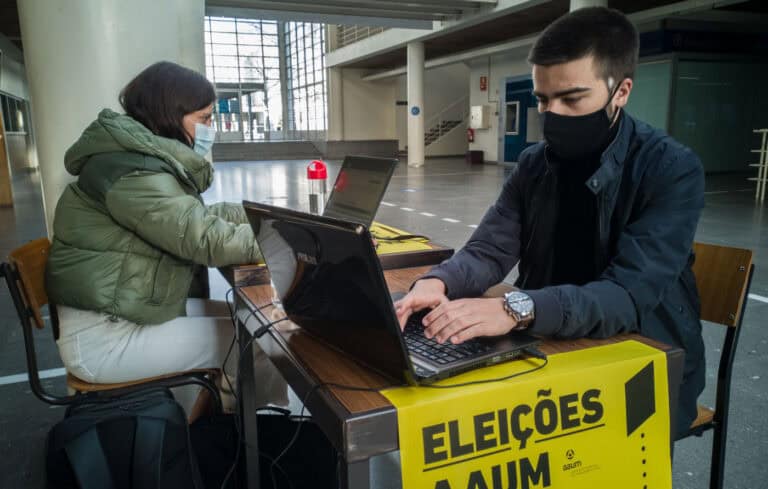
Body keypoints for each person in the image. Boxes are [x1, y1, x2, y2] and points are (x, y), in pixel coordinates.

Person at [395, 7, 705, 438]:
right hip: (549, 339)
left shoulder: (670, 168)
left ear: (621, 91)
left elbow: (627, 296)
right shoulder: (533, 164)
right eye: (543, 100)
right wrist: (436, 284)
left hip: (640, 357)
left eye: (572, 98)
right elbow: (489, 249)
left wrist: (514, 309)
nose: (552, 114)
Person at [46, 62, 261, 410]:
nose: (211, 128)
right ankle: (249, 438)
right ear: (169, 115)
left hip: (127, 312)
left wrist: (264, 218)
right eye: (204, 118)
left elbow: (193, 217)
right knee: (256, 339)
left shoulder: (134, 159)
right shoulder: (133, 172)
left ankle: (235, 427)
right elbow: (204, 238)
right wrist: (288, 242)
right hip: (107, 339)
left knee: (248, 320)